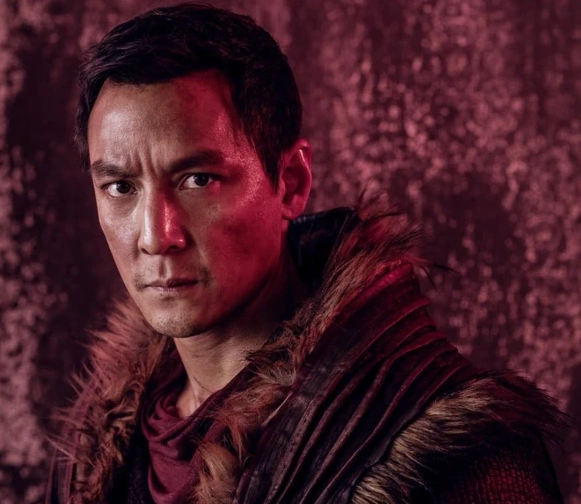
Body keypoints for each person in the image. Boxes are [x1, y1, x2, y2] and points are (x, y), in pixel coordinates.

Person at [46, 3, 566, 503]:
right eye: (120, 187)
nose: (156, 236)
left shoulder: (447, 456)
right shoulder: (97, 449)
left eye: (198, 180)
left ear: (291, 181)